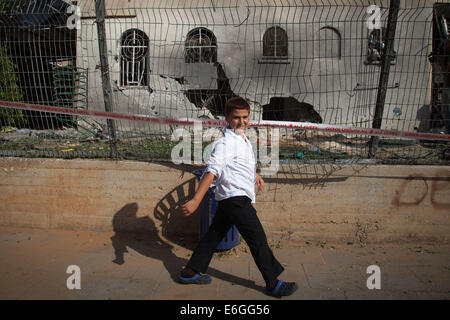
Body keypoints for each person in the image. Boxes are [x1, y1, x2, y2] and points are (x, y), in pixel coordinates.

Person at [178, 96, 298, 298]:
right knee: (257, 239)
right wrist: (196, 200)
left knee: (213, 236)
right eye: (236, 118)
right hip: (235, 200)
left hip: (231, 198)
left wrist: (254, 175)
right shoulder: (225, 143)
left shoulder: (242, 138)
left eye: (245, 117)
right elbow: (212, 171)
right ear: (226, 118)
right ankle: (273, 283)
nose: (241, 122)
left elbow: (240, 163)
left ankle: (190, 272)